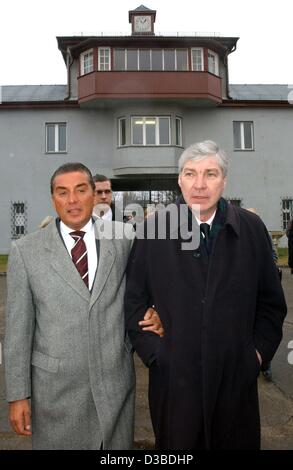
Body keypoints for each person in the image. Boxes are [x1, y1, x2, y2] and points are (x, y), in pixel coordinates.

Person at [125, 140, 287, 450]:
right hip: (175, 386)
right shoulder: (152, 231)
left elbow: (271, 304)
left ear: (224, 180)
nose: (199, 184)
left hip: (234, 384)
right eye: (190, 173)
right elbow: (133, 304)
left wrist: (255, 356)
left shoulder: (252, 229)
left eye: (210, 174)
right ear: (179, 179)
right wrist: (158, 356)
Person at [4, 162, 163, 450]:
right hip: (55, 395)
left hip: (115, 389)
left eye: (80, 190)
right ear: (53, 199)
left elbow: (150, 289)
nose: (72, 200)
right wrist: (17, 395)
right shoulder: (25, 252)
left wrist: (157, 311)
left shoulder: (125, 238)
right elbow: (17, 331)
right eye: (62, 193)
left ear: (95, 194)